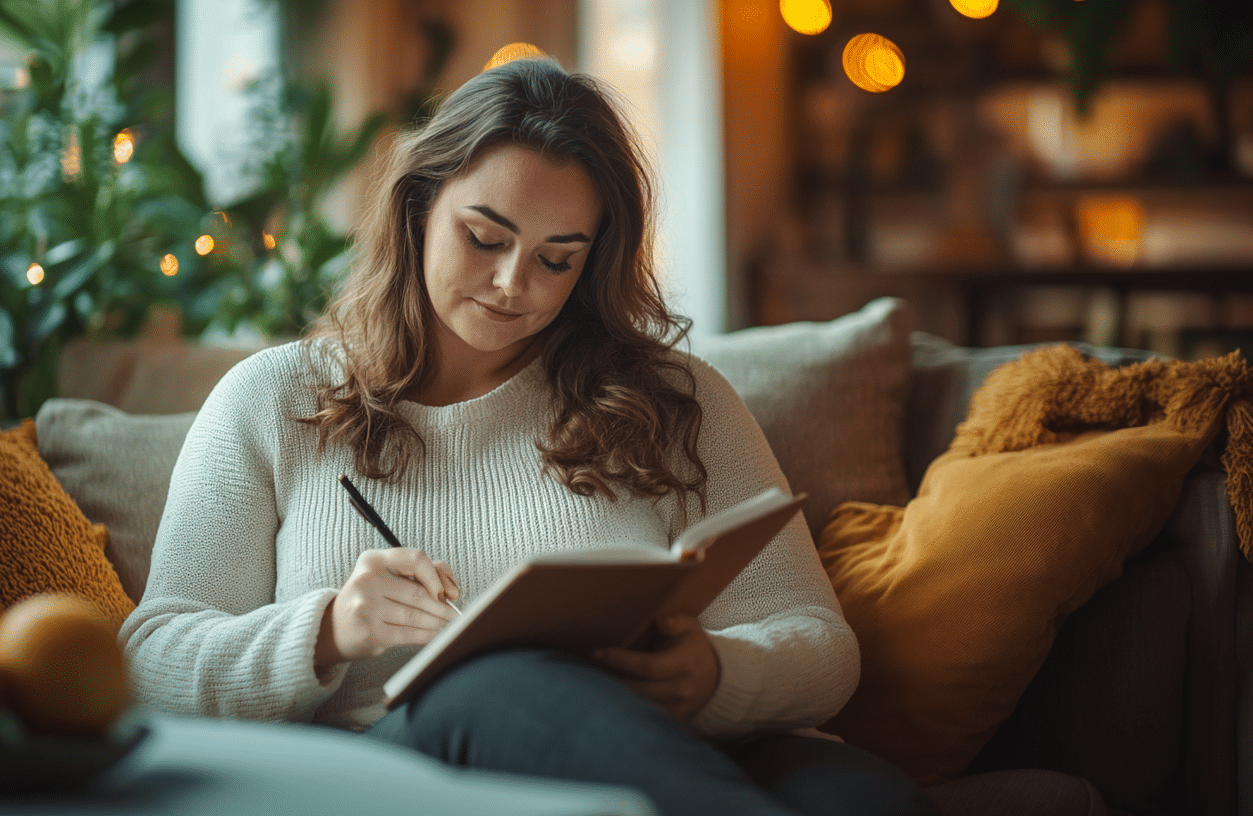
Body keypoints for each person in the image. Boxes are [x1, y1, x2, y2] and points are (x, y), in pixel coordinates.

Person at [121, 54, 942, 816]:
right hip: (411, 767)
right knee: (492, 683)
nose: (514, 284)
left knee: (859, 796)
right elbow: (149, 662)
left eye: (557, 259)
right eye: (484, 238)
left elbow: (823, 648)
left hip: (680, 749)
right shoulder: (276, 399)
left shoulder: (672, 401)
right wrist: (330, 630)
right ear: (419, 208)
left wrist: (720, 673)